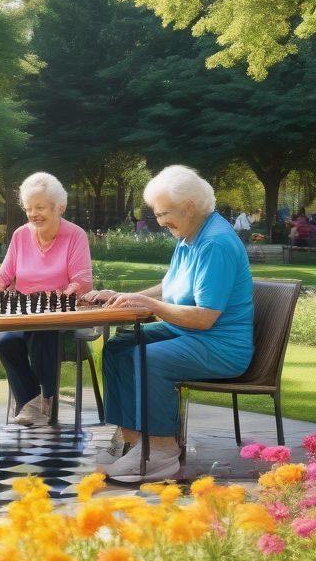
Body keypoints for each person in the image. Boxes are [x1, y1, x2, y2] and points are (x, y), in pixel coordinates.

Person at [84, 165, 253, 481]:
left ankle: (161, 452)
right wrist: (126, 296)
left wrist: (149, 305)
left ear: (189, 206)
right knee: (118, 347)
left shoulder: (214, 243)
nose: (159, 222)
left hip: (220, 346)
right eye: (157, 215)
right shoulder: (190, 235)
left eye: (164, 214)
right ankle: (134, 441)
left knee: (149, 359)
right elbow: (168, 287)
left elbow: (204, 318)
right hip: (188, 334)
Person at [0, 172, 92, 427]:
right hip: (24, 310)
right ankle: (33, 401)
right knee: (7, 341)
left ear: (58, 207)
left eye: (40, 207)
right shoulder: (21, 235)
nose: (33, 214)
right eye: (29, 208)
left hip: (59, 314)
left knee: (44, 334)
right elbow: (4, 276)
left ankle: (45, 404)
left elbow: (83, 282)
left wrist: (60, 296)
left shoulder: (75, 236)